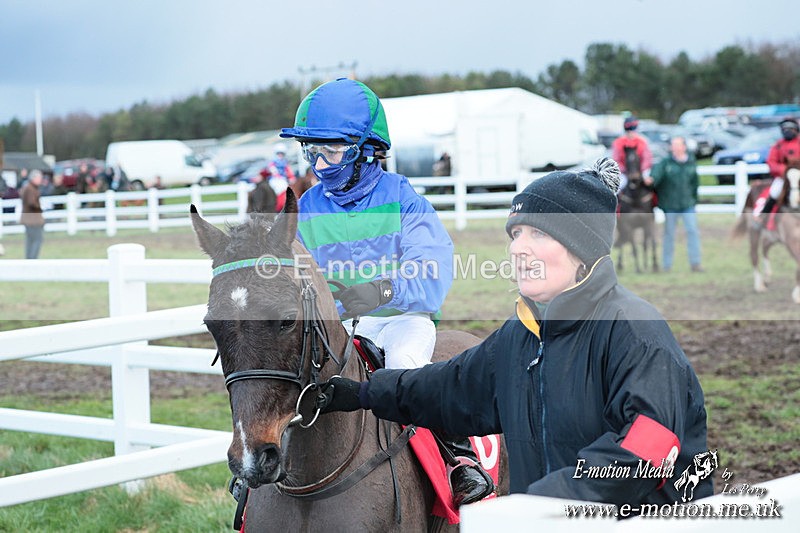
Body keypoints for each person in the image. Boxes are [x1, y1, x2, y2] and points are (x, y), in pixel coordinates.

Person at [316, 158, 711, 508]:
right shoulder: (521, 337)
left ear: (582, 248)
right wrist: (364, 393)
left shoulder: (633, 331)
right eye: (515, 234)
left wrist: (537, 503)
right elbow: (448, 389)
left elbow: (650, 450)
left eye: (537, 234)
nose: (517, 248)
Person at [280, 77, 493, 507]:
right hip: (334, 328)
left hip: (401, 322)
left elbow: (431, 272)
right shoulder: (305, 209)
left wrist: (379, 293)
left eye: (332, 151)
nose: (320, 164)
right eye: (312, 152)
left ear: (366, 149)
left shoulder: (404, 199)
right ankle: (257, 469)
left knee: (404, 366)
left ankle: (459, 459)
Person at [648, 137, 703, 273]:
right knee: (669, 234)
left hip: (687, 204)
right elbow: (655, 176)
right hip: (670, 205)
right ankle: (667, 265)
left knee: (692, 232)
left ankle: (695, 263)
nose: (674, 148)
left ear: (683, 147)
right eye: (673, 145)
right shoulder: (666, 163)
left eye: (677, 145)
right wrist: (651, 179)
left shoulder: (691, 162)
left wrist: (694, 200)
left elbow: (694, 183)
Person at [757, 117, 800, 226]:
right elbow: (771, 162)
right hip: (783, 177)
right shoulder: (778, 145)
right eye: (785, 129)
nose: (788, 131)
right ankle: (763, 217)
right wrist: (784, 171)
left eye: (791, 129)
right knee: (774, 192)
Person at [612, 115, 653, 190]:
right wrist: (625, 170)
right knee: (619, 186)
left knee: (649, 182)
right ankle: (616, 200)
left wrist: (641, 170)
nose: (631, 133)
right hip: (624, 172)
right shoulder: (618, 142)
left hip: (640, 170)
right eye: (629, 130)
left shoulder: (642, 141)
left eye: (633, 130)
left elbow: (647, 158)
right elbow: (616, 160)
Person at [20, 169, 46, 259]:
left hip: (29, 219)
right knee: (37, 240)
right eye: (39, 178)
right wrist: (39, 207)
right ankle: (32, 259)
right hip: (33, 220)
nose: (40, 180)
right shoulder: (30, 189)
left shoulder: (28, 188)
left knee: (30, 240)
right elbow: (31, 203)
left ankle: (30, 259)